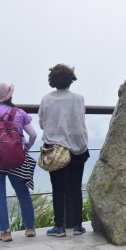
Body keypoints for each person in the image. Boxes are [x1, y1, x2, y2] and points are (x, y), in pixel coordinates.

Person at [39, 64, 89, 237]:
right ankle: (77, 226)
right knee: (75, 188)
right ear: (71, 80)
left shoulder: (46, 99)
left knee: (57, 188)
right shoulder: (79, 98)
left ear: (52, 81)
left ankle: (59, 227)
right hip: (77, 149)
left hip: (55, 151)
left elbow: (42, 123)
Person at [0, 83, 37, 242]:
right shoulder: (19, 112)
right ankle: (29, 228)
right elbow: (33, 134)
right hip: (17, 157)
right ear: (9, 96)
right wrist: (26, 147)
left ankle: (5, 233)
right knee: (23, 193)